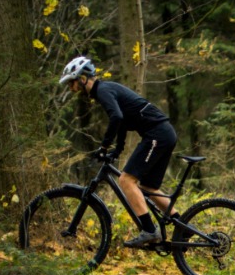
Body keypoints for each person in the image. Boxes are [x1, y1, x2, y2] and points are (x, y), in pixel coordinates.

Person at [60, 56, 177, 247]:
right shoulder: (106, 89)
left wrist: (104, 146)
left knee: (125, 180)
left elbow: (116, 117)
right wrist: (118, 149)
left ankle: (149, 230)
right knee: (148, 187)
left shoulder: (103, 90)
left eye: (71, 83)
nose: (71, 88)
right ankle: (182, 226)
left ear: (82, 78)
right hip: (164, 133)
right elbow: (122, 121)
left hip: (157, 134)